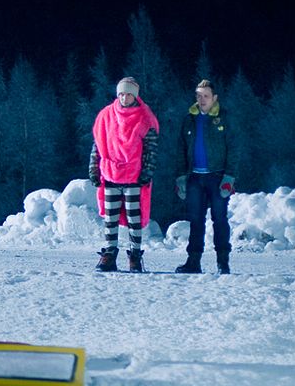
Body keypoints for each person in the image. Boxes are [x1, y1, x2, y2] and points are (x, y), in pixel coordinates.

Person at [89, 77, 160, 272]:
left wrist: (147, 172)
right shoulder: (106, 115)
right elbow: (98, 143)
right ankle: (110, 254)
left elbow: (151, 149)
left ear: (134, 95)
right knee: (110, 218)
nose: (124, 97)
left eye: (128, 94)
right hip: (110, 174)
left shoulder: (144, 118)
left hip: (134, 176)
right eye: (121, 93)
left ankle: (135, 256)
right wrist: (94, 168)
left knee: (133, 218)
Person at [174, 79, 238, 274]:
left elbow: (235, 149)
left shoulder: (224, 118)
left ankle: (223, 262)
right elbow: (181, 149)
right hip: (194, 178)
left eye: (206, 96)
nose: (202, 99)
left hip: (217, 177)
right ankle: (193, 261)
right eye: (199, 95)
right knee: (196, 220)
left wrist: (230, 177)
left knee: (219, 219)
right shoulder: (189, 119)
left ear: (214, 98)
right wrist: (180, 177)